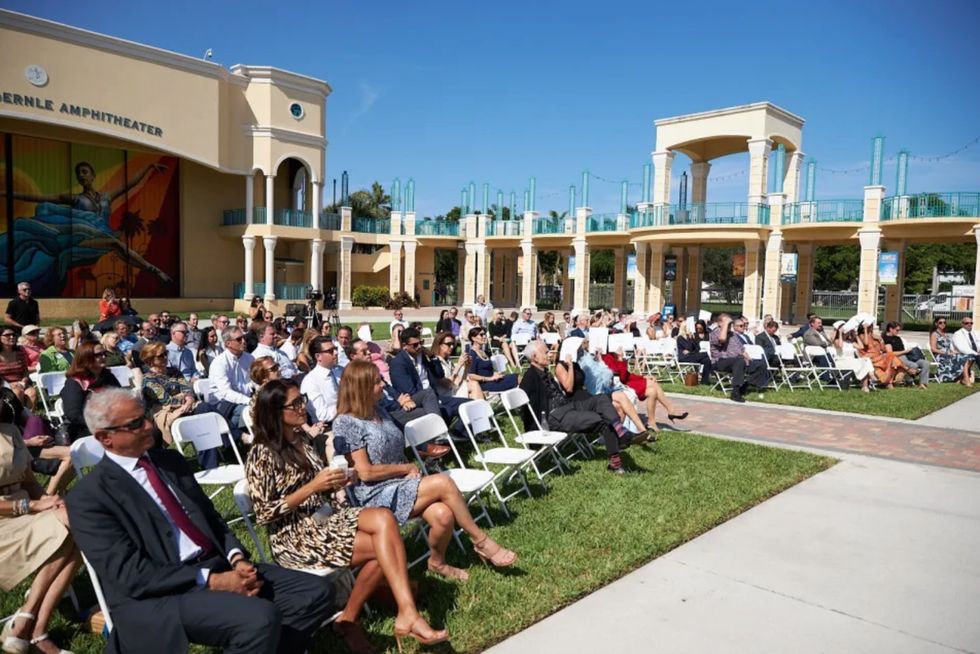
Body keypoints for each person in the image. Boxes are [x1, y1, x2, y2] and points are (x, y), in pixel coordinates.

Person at [67, 388, 334, 654]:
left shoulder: (170, 461)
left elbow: (211, 518)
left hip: (213, 563)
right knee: (259, 619)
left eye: (145, 416)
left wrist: (237, 558)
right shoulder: (88, 497)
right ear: (105, 438)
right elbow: (132, 575)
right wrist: (214, 581)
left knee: (317, 592)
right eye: (136, 424)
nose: (149, 425)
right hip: (162, 593)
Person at [246, 379, 448, 650]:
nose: (302, 406)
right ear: (275, 413)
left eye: (301, 399)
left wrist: (340, 481)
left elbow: (319, 486)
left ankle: (404, 612)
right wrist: (313, 487)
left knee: (384, 519)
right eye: (294, 404)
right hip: (295, 535)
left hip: (326, 517)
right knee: (383, 546)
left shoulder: (302, 438)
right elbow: (264, 513)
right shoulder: (262, 453)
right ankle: (354, 620)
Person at [336, 360, 518, 582]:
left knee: (443, 515)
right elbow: (364, 473)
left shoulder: (380, 410)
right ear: (361, 387)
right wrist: (405, 468)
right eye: (376, 382)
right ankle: (481, 542)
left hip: (400, 482)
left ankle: (436, 562)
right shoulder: (346, 422)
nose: (383, 385)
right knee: (443, 482)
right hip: (374, 494)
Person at [0, 392, 81, 654]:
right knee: (69, 527)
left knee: (79, 523)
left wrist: (50, 500)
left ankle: (30, 622)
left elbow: (30, 482)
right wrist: (35, 505)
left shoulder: (9, 429)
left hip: (25, 511)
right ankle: (31, 626)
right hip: (5, 521)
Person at [520, 341, 639, 474]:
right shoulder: (530, 377)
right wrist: (536, 431)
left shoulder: (544, 372)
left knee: (602, 399)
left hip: (567, 406)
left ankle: (619, 429)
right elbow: (524, 410)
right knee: (603, 420)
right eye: (546, 352)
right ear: (535, 357)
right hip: (555, 416)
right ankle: (616, 463)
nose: (549, 354)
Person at [601, 348, 687, 430]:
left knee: (652, 391)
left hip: (628, 382)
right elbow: (622, 378)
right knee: (652, 384)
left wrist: (643, 377)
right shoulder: (607, 357)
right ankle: (670, 410)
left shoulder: (613, 354)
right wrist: (620, 359)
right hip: (621, 386)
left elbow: (628, 375)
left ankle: (652, 422)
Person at [60, 341, 121, 442]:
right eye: (98, 355)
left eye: (104, 354)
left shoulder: (108, 377)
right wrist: (102, 424)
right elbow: (74, 415)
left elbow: (121, 400)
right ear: (85, 357)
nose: (103, 357)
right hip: (86, 428)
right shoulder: (75, 383)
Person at [140, 341, 197, 445]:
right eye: (161, 356)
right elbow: (167, 401)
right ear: (150, 360)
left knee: (205, 408)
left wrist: (188, 398)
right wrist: (185, 397)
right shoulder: (148, 380)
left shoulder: (174, 371)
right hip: (162, 411)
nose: (165, 357)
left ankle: (225, 445)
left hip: (184, 406)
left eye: (166, 353)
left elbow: (187, 389)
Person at [709, 314, 768, 403]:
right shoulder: (715, 332)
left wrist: (747, 357)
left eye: (730, 323)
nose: (729, 325)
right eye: (726, 323)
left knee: (761, 365)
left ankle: (745, 385)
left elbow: (742, 349)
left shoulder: (733, 335)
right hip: (720, 361)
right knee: (739, 361)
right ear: (719, 323)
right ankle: (735, 392)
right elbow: (722, 339)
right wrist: (725, 324)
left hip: (737, 361)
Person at [208, 327, 255, 433]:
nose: (244, 341)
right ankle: (229, 438)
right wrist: (250, 402)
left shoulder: (250, 358)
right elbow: (226, 393)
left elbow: (254, 382)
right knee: (248, 411)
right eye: (239, 339)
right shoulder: (219, 363)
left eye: (243, 338)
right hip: (222, 403)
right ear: (228, 344)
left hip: (244, 399)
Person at [465, 328, 518, 398]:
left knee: (517, 377)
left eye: (484, 334)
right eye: (481, 335)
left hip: (493, 380)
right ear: (473, 338)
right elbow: (471, 375)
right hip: (484, 384)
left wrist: (495, 373)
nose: (484, 336)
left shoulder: (484, 352)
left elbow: (487, 369)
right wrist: (490, 378)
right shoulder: (472, 354)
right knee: (517, 378)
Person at [301, 336, 342, 425]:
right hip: (329, 427)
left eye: (335, 349)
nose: (336, 353)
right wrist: (348, 405)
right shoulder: (311, 381)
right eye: (331, 351)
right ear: (318, 356)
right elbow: (322, 415)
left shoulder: (340, 371)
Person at [857, 322, 908, 388]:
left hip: (879, 358)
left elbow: (883, 349)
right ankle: (906, 369)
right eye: (870, 326)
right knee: (881, 366)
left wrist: (881, 340)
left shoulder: (875, 336)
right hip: (870, 359)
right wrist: (866, 330)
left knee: (890, 357)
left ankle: (901, 371)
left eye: (872, 326)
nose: (872, 327)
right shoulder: (861, 336)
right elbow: (866, 343)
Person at [430, 332, 478, 398]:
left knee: (472, 384)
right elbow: (447, 384)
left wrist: (467, 367)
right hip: (444, 396)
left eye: (453, 344)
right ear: (439, 345)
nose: (452, 347)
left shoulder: (448, 361)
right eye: (448, 344)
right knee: (473, 385)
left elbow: (460, 381)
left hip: (453, 391)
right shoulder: (435, 363)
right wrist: (459, 365)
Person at [883, 322, 929, 388]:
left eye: (899, 330)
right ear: (890, 329)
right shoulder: (886, 339)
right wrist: (905, 351)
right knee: (914, 365)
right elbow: (890, 353)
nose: (898, 332)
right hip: (897, 357)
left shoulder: (898, 338)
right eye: (897, 330)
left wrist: (908, 351)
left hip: (907, 356)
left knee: (925, 363)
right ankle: (909, 382)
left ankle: (923, 383)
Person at [930, 317, 974, 385]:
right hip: (940, 356)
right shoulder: (934, 334)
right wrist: (947, 353)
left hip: (949, 353)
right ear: (936, 324)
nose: (943, 324)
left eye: (944, 322)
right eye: (940, 322)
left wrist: (955, 351)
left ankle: (960, 378)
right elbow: (933, 349)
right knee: (964, 358)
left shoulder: (945, 334)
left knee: (970, 357)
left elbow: (951, 346)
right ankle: (965, 379)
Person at [0, 328, 33, 407]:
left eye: (14, 335)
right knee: (17, 391)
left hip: (20, 383)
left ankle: (30, 417)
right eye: (7, 335)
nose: (12, 337)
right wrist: (8, 384)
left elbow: (25, 371)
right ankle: (18, 417)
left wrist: (23, 382)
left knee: (32, 392)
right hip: (3, 385)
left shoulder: (20, 353)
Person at [676, 320, 713, 385]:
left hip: (691, 355)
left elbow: (695, 348)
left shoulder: (689, 336)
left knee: (707, 360)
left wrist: (691, 340)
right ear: (685, 328)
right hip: (684, 357)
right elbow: (689, 347)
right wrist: (691, 339)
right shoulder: (680, 337)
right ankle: (710, 355)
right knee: (707, 354)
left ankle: (704, 381)